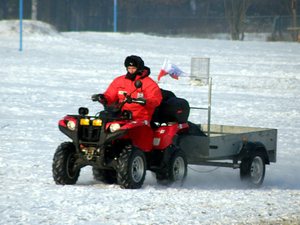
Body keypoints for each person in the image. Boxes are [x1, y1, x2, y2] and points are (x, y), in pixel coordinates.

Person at [92, 55, 162, 123]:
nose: (131, 71)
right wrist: (103, 98)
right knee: (101, 121)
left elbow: (155, 99)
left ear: (139, 68)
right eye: (129, 68)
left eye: (133, 68)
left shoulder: (149, 83)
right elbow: (110, 95)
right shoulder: (119, 81)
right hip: (121, 116)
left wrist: (144, 101)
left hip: (140, 118)